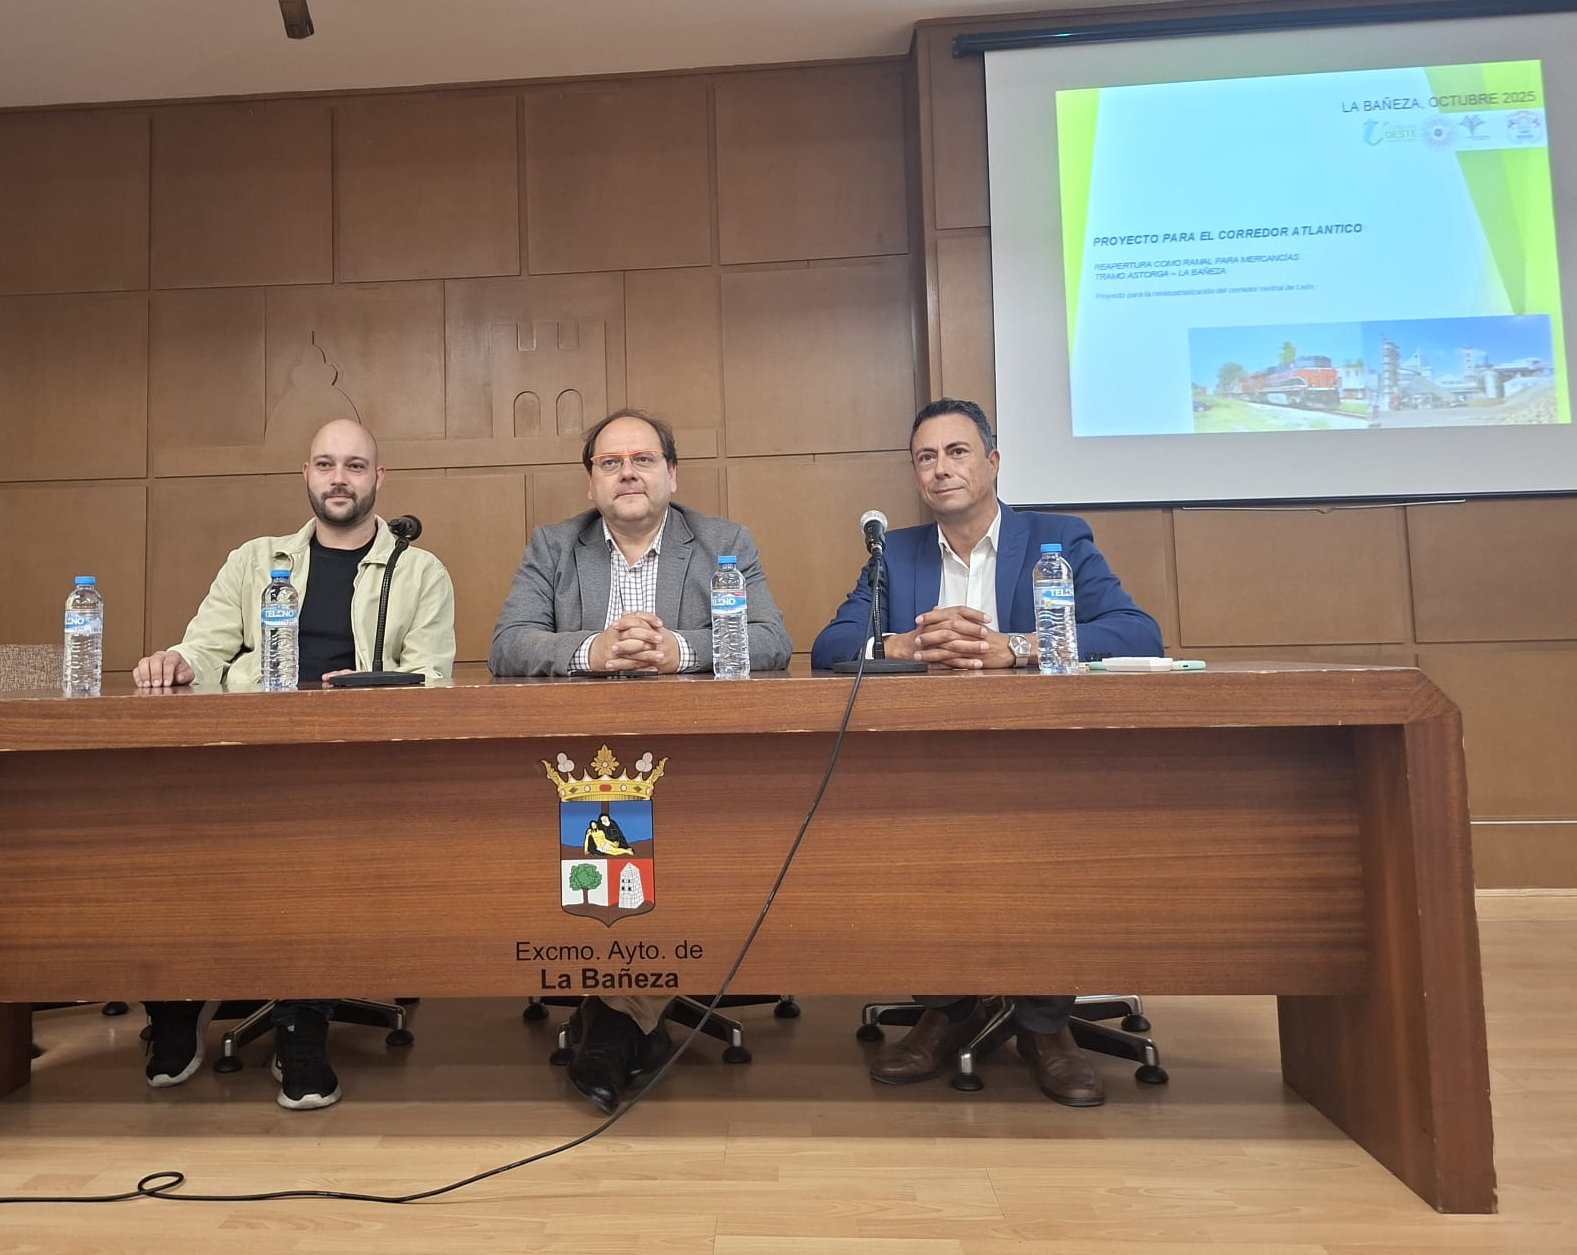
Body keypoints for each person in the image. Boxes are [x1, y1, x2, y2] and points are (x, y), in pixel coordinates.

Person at [811, 397, 1164, 1107]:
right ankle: (947, 1009)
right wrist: (902, 646)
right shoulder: (896, 552)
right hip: (925, 763)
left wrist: (1019, 647)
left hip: (1043, 763)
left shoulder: (1055, 538)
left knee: (1044, 840)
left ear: (993, 463)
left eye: (958, 452)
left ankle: (1044, 1024)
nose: (942, 469)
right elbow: (830, 649)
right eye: (926, 457)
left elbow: (1137, 633)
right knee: (908, 841)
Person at [131, 418, 455, 1109]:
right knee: (167, 835)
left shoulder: (418, 569)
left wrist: (364, 691)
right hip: (249, 753)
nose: (340, 477)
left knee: (322, 849)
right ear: (305, 476)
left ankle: (302, 1022)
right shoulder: (255, 560)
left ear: (379, 479)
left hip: (356, 764)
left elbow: (431, 680)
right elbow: (205, 649)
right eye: (326, 464)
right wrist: (173, 662)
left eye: (356, 465)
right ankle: (175, 1008)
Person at [489, 407, 791, 1109]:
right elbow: (508, 643)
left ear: (671, 474)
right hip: (580, 768)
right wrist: (591, 650)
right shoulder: (555, 546)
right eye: (610, 462)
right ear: (592, 480)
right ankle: (630, 1019)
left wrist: (677, 651)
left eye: (644, 460)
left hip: (699, 766)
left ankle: (611, 1024)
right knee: (604, 843)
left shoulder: (722, 541)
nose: (628, 472)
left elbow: (771, 638)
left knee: (661, 844)